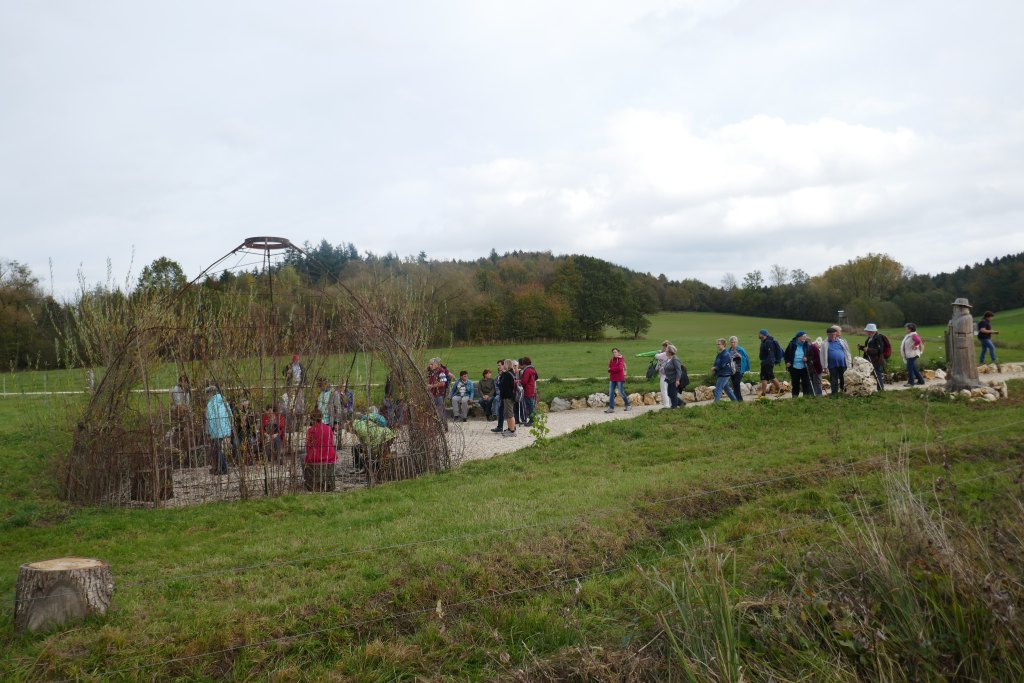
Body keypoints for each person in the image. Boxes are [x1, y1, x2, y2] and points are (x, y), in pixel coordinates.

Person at [304, 409, 337, 491]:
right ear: (321, 417)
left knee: (302, 458)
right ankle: (327, 481)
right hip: (329, 457)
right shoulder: (328, 428)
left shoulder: (311, 430)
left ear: (311, 419)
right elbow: (331, 442)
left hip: (316, 458)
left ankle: (309, 481)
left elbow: (308, 446)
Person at [204, 384, 235, 475]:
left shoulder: (210, 404)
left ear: (210, 394)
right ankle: (220, 468)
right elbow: (230, 415)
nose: (206, 397)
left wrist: (208, 432)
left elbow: (209, 419)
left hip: (216, 430)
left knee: (217, 450)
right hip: (226, 428)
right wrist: (230, 427)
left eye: (206, 395)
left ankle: (224, 468)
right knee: (220, 450)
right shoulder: (224, 400)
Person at [637, 341, 673, 408]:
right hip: (671, 375)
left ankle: (666, 405)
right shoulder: (672, 354)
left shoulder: (663, 354)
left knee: (664, 390)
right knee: (669, 391)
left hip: (664, 376)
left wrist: (659, 352)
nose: (662, 348)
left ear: (666, 348)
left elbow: (656, 356)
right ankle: (671, 404)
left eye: (663, 347)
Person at [783, 332, 815, 398]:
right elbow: (786, 355)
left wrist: (807, 358)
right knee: (795, 383)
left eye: (805, 336)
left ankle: (806, 397)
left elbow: (812, 355)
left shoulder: (807, 345)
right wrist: (787, 362)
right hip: (794, 367)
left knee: (805, 383)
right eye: (804, 336)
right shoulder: (792, 345)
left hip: (804, 367)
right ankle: (795, 397)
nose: (805, 337)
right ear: (798, 337)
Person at [823, 326, 852, 395]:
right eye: (830, 334)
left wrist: (850, 362)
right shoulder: (825, 343)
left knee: (843, 378)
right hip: (832, 365)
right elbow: (822, 356)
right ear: (828, 335)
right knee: (833, 379)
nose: (832, 336)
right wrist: (824, 366)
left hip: (843, 363)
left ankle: (843, 391)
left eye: (833, 334)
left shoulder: (842, 341)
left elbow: (847, 352)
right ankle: (834, 393)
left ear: (836, 334)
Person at [858, 323, 886, 391]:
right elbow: (867, 348)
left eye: (867, 330)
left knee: (877, 375)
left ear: (871, 331)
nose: (866, 332)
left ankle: (881, 389)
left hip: (876, 360)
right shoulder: (870, 338)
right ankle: (867, 389)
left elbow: (879, 350)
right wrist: (861, 347)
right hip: (870, 359)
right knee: (871, 374)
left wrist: (868, 350)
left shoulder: (878, 338)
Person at [757, 330, 783, 396]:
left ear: (764, 335)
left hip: (768, 363)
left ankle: (780, 390)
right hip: (764, 362)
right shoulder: (763, 341)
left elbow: (771, 354)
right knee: (764, 377)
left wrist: (766, 362)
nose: (758, 335)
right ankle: (763, 393)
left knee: (771, 377)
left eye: (760, 333)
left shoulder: (768, 342)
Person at [498, 359, 518, 436]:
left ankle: (512, 431)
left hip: (508, 396)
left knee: (510, 414)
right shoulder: (512, 373)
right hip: (511, 396)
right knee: (508, 413)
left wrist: (501, 376)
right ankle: (510, 428)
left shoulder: (506, 374)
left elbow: (503, 385)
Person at [727, 336, 750, 402]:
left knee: (736, 383)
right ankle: (739, 400)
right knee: (734, 385)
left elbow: (746, 359)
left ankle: (737, 400)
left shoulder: (740, 349)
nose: (733, 343)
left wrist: (740, 356)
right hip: (732, 370)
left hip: (739, 370)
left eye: (734, 342)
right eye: (731, 342)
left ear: (737, 342)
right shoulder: (728, 350)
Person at [520, 357, 537, 426]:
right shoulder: (533, 369)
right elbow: (536, 377)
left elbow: (524, 381)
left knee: (529, 405)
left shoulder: (527, 370)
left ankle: (532, 420)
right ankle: (532, 419)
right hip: (532, 388)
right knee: (531, 404)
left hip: (527, 389)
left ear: (524, 363)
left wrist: (519, 382)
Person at [490, 360, 506, 433]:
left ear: (503, 365)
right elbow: (497, 387)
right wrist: (499, 393)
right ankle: (499, 424)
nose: (498, 367)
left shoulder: (506, 374)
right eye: (498, 365)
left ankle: (511, 428)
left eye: (499, 365)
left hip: (505, 395)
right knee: (500, 409)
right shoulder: (498, 377)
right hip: (500, 394)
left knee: (508, 412)